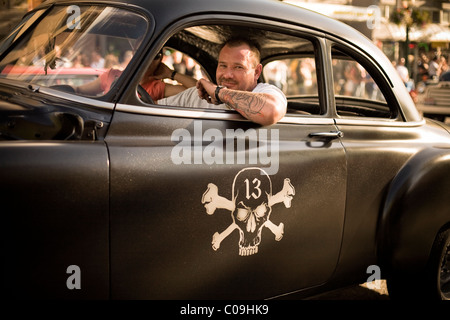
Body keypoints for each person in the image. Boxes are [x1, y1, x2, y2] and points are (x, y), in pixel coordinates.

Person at [157, 38, 287, 126]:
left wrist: (218, 92)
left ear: (257, 72)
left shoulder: (265, 92)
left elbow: (272, 111)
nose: (227, 75)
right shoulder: (195, 96)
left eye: (238, 67)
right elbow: (150, 113)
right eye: (223, 66)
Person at [75, 50, 197, 99]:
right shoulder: (113, 75)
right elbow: (79, 90)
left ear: (160, 61)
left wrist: (171, 74)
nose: (148, 59)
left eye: (155, 56)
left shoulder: (157, 87)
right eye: (142, 52)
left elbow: (197, 91)